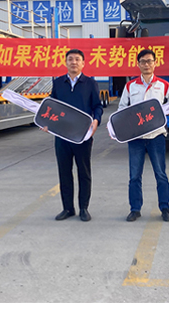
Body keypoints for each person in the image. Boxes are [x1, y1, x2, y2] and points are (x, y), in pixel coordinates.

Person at [118, 49, 169, 222]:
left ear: (155, 63)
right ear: (138, 64)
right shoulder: (130, 86)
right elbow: (122, 109)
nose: (146, 64)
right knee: (134, 176)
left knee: (161, 174)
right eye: (143, 61)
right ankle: (135, 209)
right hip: (135, 138)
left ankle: (165, 208)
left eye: (150, 61)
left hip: (156, 136)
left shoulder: (163, 85)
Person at [46, 49, 103, 222]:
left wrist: (96, 121)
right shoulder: (58, 83)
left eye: (77, 59)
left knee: (84, 172)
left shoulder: (90, 83)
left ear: (83, 63)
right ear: (66, 62)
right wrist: (47, 122)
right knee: (64, 172)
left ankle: (84, 208)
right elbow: (51, 106)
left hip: (82, 136)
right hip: (62, 135)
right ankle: (68, 208)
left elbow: (97, 106)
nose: (74, 62)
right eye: (70, 59)